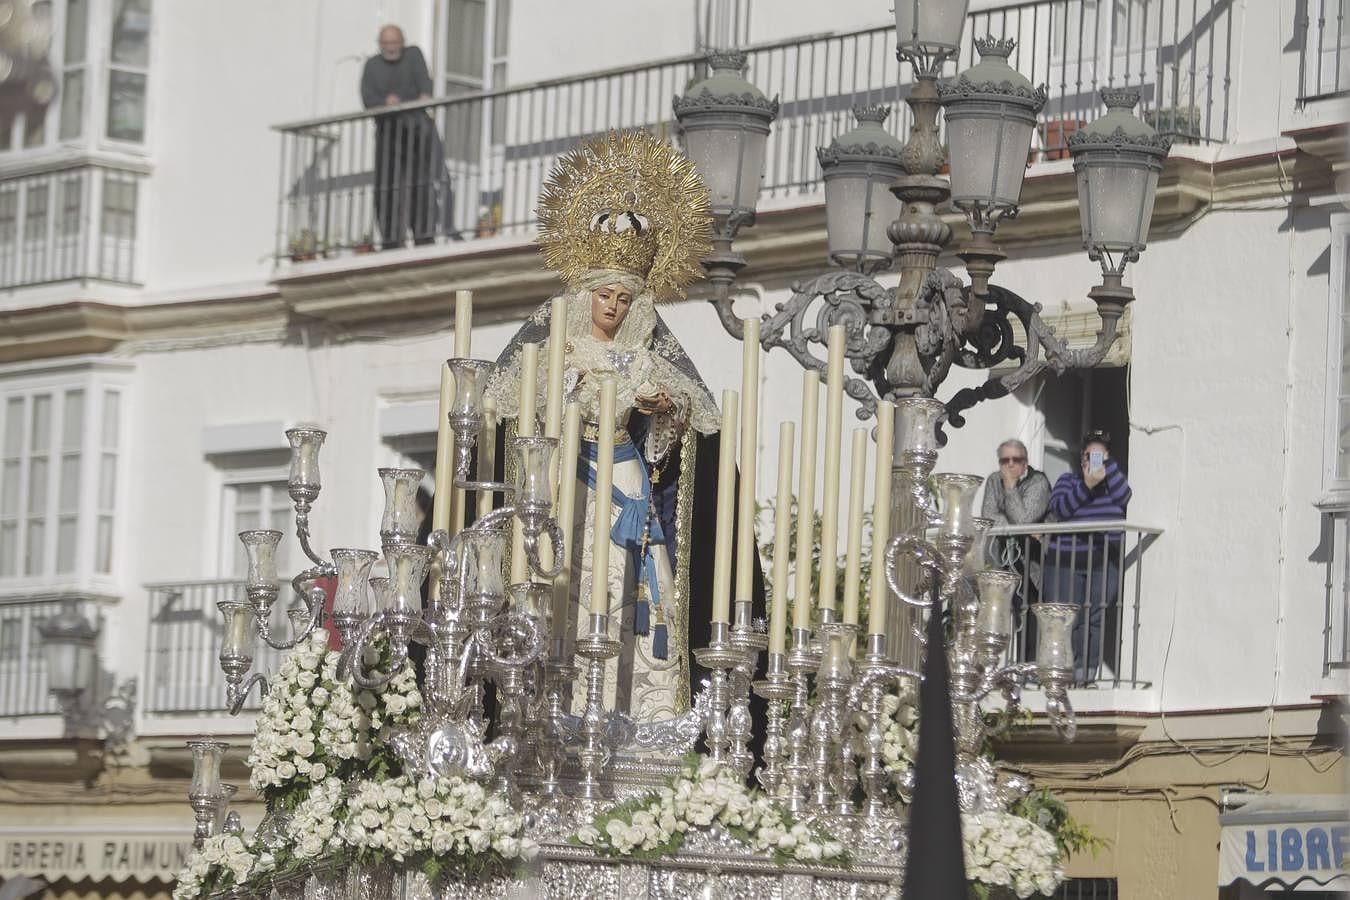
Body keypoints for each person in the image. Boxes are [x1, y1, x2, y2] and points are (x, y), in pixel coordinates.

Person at [485, 131, 746, 728]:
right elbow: (532, 409)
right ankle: (563, 703)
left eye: (624, 298)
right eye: (604, 294)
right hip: (573, 482)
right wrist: (578, 398)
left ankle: (638, 708)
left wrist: (663, 406)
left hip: (627, 473)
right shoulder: (561, 351)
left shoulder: (644, 355)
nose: (613, 306)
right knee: (571, 579)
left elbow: (686, 419)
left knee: (640, 580)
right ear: (585, 295)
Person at [1044, 430, 1132, 686]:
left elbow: (1125, 498)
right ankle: (1064, 673)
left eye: (1099, 455)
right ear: (1080, 458)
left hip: (1104, 561)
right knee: (1067, 619)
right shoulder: (1068, 480)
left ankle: (1086, 674)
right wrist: (1086, 486)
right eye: (1088, 455)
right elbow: (1061, 509)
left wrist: (1109, 468)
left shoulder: (1114, 484)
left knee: (1093, 619)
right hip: (1067, 561)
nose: (1092, 461)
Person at [360, 25, 441, 249]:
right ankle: (391, 239)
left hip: (416, 130)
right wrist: (385, 103)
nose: (391, 48)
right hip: (388, 132)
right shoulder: (372, 65)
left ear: (402, 42)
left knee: (420, 184)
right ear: (380, 44)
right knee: (387, 186)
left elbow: (425, 90)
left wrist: (402, 102)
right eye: (386, 43)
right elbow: (368, 99)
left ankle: (424, 236)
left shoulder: (414, 55)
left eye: (394, 43)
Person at [980, 438, 1050, 661]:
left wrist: (1010, 488)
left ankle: (1026, 667)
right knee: (1002, 614)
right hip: (1001, 558)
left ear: (1026, 462)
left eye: (1016, 460)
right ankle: (1002, 667)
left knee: (1028, 614)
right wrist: (1017, 525)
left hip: (1032, 562)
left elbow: (1025, 519)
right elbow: (989, 516)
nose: (1010, 465)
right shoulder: (993, 480)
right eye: (1005, 460)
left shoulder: (1038, 482)